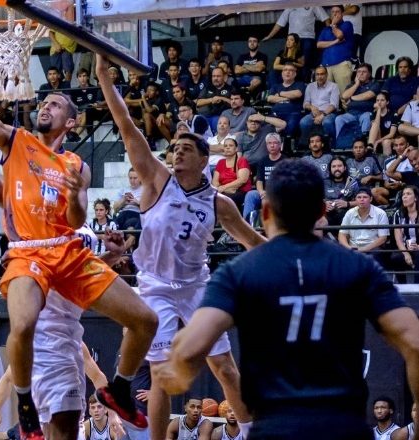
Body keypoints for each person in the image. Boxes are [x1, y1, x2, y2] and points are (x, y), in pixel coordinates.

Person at [0, 32, 159, 436]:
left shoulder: (75, 164)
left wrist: (74, 195)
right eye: (44, 101)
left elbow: (77, 214)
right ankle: (25, 399)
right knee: (24, 324)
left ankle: (118, 388)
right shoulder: (19, 142)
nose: (46, 106)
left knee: (145, 320)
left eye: (55, 104)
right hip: (28, 252)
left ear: (71, 121)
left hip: (67, 251)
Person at [152, 158, 419, 439]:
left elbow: (188, 350)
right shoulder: (359, 267)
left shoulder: (238, 272)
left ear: (265, 212)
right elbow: (414, 342)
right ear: (322, 210)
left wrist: (171, 371)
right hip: (342, 427)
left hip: (274, 428)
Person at [96, 52, 265, 440]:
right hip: (156, 287)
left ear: (204, 159)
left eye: (185, 149)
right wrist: (106, 77)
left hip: (197, 287)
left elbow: (252, 241)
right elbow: (125, 126)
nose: (176, 153)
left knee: (224, 366)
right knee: (160, 376)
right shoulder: (157, 180)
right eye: (173, 148)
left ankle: (252, 434)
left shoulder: (219, 203)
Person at [338, 187, 390, 266]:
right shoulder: (349, 213)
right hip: (353, 247)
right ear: (356, 199)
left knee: (377, 254)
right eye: (359, 197)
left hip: (372, 248)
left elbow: (383, 238)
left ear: (371, 199)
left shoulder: (380, 213)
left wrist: (364, 249)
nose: (362, 199)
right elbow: (342, 234)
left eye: (365, 197)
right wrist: (348, 248)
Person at [243, 133, 286, 222]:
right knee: (250, 195)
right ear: (266, 145)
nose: (272, 145)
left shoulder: (285, 160)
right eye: (269, 143)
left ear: (280, 145)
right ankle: (247, 225)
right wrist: (262, 193)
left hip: (280, 193)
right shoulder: (263, 161)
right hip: (264, 192)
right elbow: (259, 181)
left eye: (275, 143)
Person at [317, 5, 355, 93]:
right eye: (333, 12)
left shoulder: (347, 24)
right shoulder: (326, 29)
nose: (335, 14)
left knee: (344, 95)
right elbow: (319, 44)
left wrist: (333, 25)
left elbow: (340, 35)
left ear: (342, 14)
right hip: (326, 67)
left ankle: (346, 108)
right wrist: (335, 42)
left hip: (341, 64)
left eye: (337, 12)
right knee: (326, 96)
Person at [213, 137, 252, 210]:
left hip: (240, 191)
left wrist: (224, 187)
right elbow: (215, 181)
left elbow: (242, 180)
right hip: (224, 191)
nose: (227, 148)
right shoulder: (220, 162)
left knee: (225, 200)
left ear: (236, 149)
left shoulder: (241, 160)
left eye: (230, 146)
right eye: (225, 146)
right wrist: (224, 189)